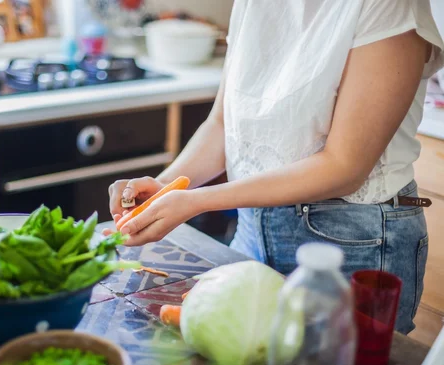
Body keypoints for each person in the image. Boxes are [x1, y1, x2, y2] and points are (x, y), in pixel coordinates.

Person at [106, 0, 444, 334]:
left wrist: (195, 201)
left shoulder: (389, 6)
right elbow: (224, 125)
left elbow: (345, 166)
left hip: (352, 242)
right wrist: (166, 186)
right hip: (252, 226)